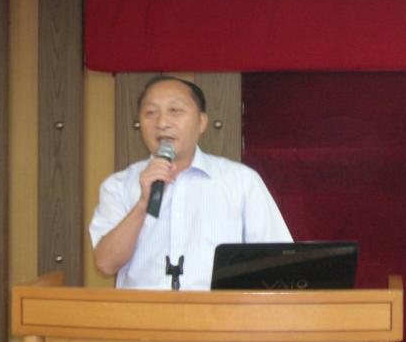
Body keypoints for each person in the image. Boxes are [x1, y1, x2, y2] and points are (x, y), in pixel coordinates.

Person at [89, 76, 292, 290]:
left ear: (201, 122)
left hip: (219, 309)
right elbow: (106, 265)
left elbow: (277, 262)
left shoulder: (241, 181)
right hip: (143, 309)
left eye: (175, 110)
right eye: (151, 112)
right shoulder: (118, 185)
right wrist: (143, 204)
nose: (162, 123)